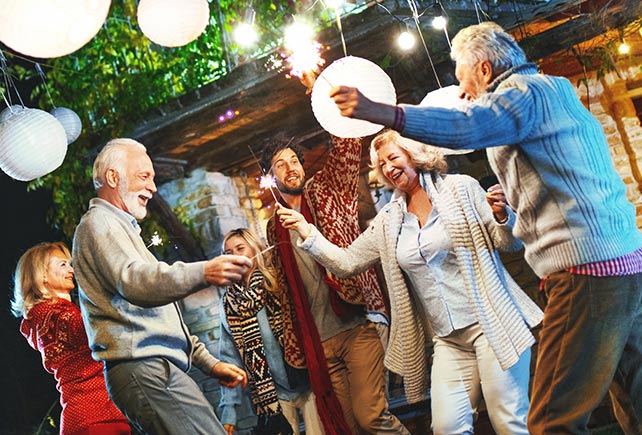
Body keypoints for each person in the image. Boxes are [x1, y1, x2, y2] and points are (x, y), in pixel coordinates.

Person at [328, 21, 642, 435]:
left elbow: (468, 126)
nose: (462, 94)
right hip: (628, 268)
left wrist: (382, 113)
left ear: (484, 70)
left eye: (463, 81)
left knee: (552, 420)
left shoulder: (521, 95)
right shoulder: (555, 91)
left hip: (588, 275)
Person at [277, 130, 543, 435]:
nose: (389, 168)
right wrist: (308, 233)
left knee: (507, 420)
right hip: (448, 341)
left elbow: (508, 244)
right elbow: (347, 262)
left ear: (413, 156)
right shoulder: (389, 219)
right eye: (382, 164)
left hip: (492, 326)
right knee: (446, 427)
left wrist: (501, 216)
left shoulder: (461, 189)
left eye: (393, 158)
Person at [72, 138, 250, 435]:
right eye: (145, 176)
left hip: (154, 369)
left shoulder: (119, 228)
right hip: (144, 369)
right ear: (113, 177)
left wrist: (208, 363)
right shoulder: (98, 224)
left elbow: (158, 315)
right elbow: (137, 283)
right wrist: (203, 271)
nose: (153, 187)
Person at [261, 133, 409, 435]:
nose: (291, 169)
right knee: (349, 429)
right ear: (271, 176)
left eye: (294, 161)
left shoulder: (328, 190)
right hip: (319, 342)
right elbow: (289, 292)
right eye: (280, 165)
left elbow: (346, 148)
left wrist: (329, 101)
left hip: (358, 327)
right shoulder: (273, 225)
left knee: (372, 417)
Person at [11, 241, 131, 435]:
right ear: (42, 275)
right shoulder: (53, 317)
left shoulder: (58, 314)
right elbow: (95, 327)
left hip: (101, 415)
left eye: (70, 264)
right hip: (93, 418)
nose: (71, 270)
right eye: (62, 264)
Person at [218, 228, 324, 435]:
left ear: (255, 249)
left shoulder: (277, 283)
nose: (235, 256)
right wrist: (229, 411)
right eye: (228, 253)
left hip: (308, 382)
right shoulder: (229, 303)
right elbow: (230, 360)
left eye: (240, 248)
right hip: (272, 395)